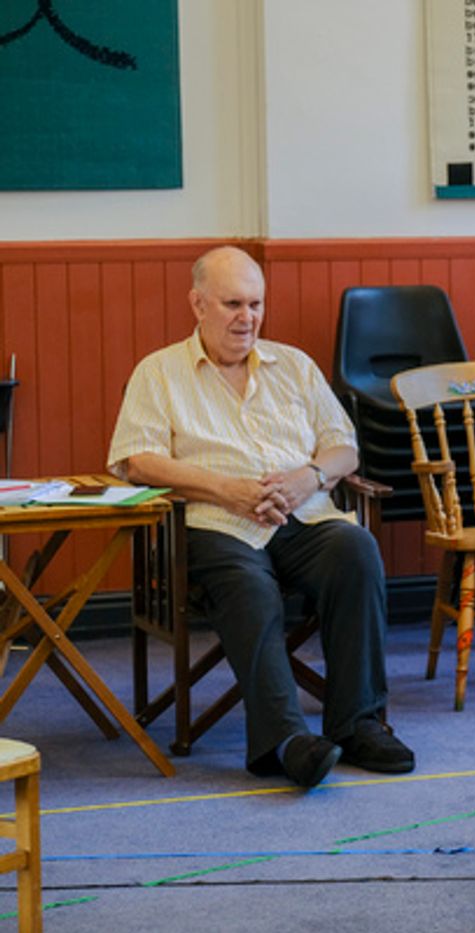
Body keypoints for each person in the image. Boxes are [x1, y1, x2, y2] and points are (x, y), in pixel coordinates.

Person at [107, 246, 414, 789]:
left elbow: (345, 448)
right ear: (197, 304)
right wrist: (227, 489)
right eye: (232, 304)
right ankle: (285, 741)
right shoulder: (158, 372)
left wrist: (309, 479)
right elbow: (137, 459)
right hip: (213, 524)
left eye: (256, 304)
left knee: (357, 550)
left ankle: (358, 722)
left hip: (304, 516)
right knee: (249, 587)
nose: (246, 317)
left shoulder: (293, 365)